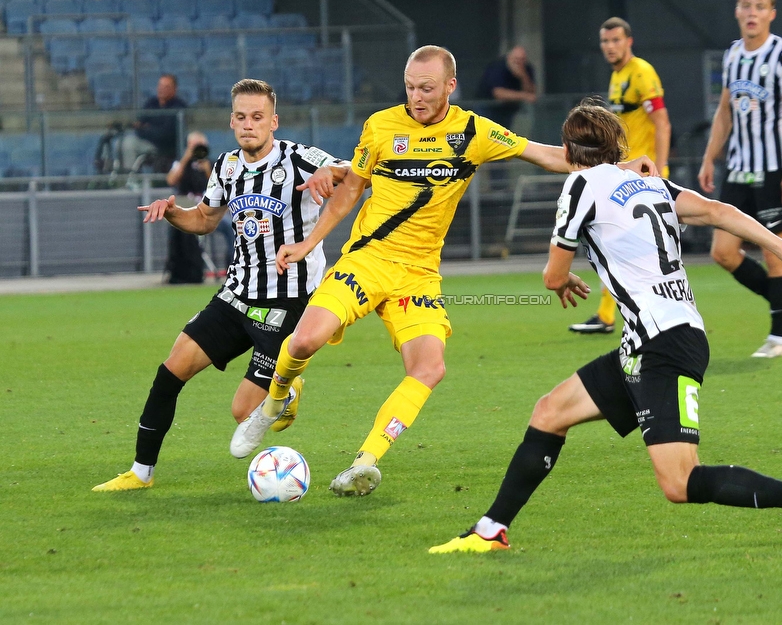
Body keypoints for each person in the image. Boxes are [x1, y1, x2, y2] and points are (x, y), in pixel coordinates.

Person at [429, 101, 782, 555]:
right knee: (549, 413)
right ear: (617, 147)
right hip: (654, 340)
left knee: (680, 481)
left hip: (662, 345)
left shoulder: (580, 184)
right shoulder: (646, 182)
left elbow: (553, 275)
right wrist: (781, 245)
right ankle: (490, 530)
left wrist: (564, 280)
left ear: (567, 149)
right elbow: (716, 211)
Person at [227, 46, 656, 498]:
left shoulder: (474, 131)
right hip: (367, 260)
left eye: (426, 88)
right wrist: (309, 244)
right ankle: (275, 402)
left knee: (429, 368)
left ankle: (365, 462)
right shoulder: (380, 126)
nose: (416, 96)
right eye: (410, 86)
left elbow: (547, 155)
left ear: (450, 86)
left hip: (418, 275)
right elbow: (352, 187)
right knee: (304, 341)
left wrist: (619, 167)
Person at [93, 79, 348, 491]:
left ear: (273, 122)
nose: (249, 125)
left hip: (285, 303)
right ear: (232, 121)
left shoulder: (299, 158)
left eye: (258, 117)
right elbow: (205, 220)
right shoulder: (227, 166)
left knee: (241, 412)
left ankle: (286, 391)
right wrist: (175, 212)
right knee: (170, 370)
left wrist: (330, 170)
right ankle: (140, 474)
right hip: (235, 295)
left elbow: (356, 174)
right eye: (242, 117)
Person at [697, 0, 782, 359]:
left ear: (771, 14)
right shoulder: (732, 55)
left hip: (775, 168)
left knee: (773, 250)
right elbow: (725, 112)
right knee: (723, 252)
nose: (752, 13)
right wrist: (710, 157)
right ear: (737, 11)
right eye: (746, 5)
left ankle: (778, 339)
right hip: (739, 169)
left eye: (760, 7)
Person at [571, 16, 672, 335]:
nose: (610, 47)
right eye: (605, 41)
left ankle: (653, 316)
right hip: (625, 174)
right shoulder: (618, 77)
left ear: (629, 41)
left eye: (616, 40)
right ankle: (608, 315)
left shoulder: (641, 72)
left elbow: (662, 122)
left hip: (644, 176)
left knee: (639, 252)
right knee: (616, 244)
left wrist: (662, 169)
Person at [163, 131, 211, 284]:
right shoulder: (181, 163)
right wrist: (186, 158)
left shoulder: (212, 164)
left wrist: (207, 170)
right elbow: (171, 180)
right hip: (187, 205)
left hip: (210, 209)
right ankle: (183, 269)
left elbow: (220, 187)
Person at [134, 74, 189, 172]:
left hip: (167, 148)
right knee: (122, 143)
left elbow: (165, 134)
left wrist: (147, 128)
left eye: (166, 87)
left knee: (129, 145)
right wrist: (153, 129)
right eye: (160, 86)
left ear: (174, 89)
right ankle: (127, 177)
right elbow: (138, 127)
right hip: (148, 143)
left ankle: (134, 180)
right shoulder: (151, 103)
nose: (161, 89)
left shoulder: (178, 107)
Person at [476, 45, 537, 129]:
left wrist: (523, 77)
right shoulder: (498, 67)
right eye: (516, 59)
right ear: (509, 58)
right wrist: (524, 96)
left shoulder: (527, 68)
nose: (519, 63)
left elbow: (532, 92)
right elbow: (499, 93)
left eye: (522, 59)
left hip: (510, 110)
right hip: (488, 108)